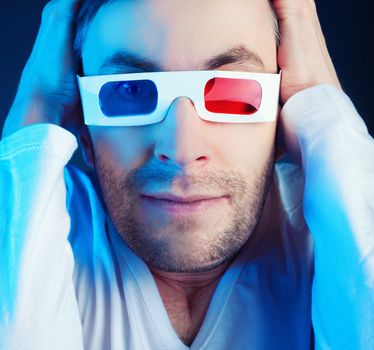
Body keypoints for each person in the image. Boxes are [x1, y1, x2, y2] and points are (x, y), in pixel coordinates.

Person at [0, 0, 373, 349]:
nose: (182, 150)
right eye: (129, 92)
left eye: (231, 92)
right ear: (84, 129)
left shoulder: (331, 227)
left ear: (279, 114)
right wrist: (36, 112)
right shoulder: (34, 218)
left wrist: (323, 116)